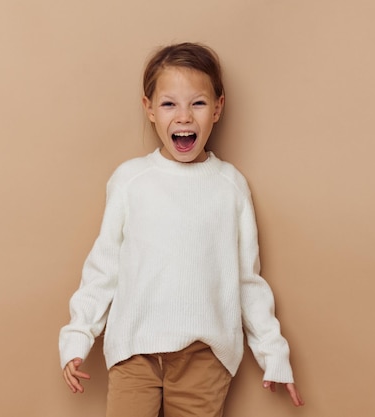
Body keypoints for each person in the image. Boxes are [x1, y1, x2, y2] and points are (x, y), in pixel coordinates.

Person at [59, 42, 304, 417]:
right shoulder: (130, 180)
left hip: (203, 357)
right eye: (170, 103)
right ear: (149, 109)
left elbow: (247, 281)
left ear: (218, 107)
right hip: (133, 353)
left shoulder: (230, 186)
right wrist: (77, 337)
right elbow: (103, 268)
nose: (184, 117)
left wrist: (274, 353)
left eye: (198, 103)